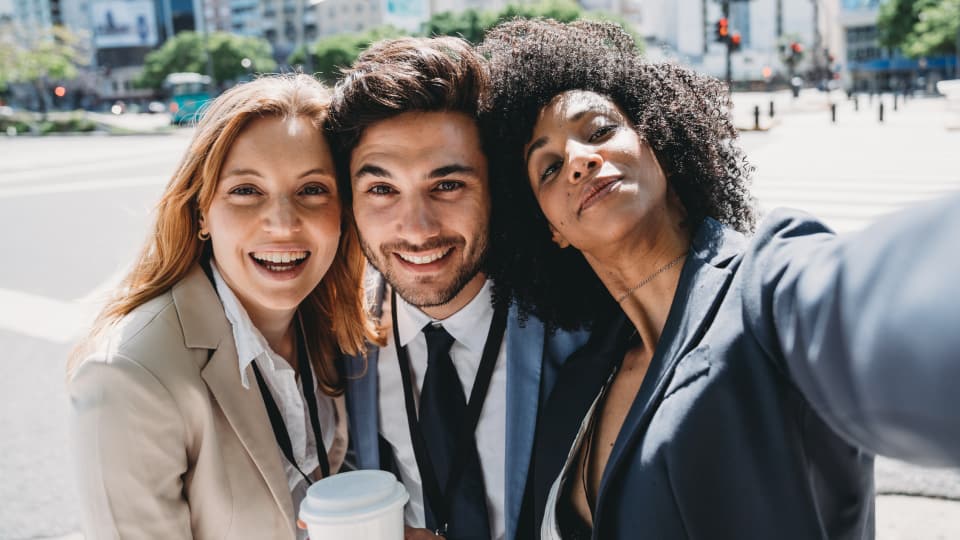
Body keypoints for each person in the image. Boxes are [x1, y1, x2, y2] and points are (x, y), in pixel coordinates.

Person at [478, 19, 960, 540]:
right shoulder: (580, 376)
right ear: (553, 231)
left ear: (657, 141)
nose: (577, 159)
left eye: (598, 131)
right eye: (547, 168)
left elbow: (887, 304)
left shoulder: (767, 292)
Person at [67, 74, 377, 540]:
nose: (282, 223)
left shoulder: (336, 321)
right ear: (201, 213)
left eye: (312, 189)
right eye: (246, 191)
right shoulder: (129, 378)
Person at [326, 37, 588, 540]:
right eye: (382, 189)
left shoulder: (582, 334)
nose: (417, 228)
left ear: (496, 190)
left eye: (447, 185)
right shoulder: (334, 342)